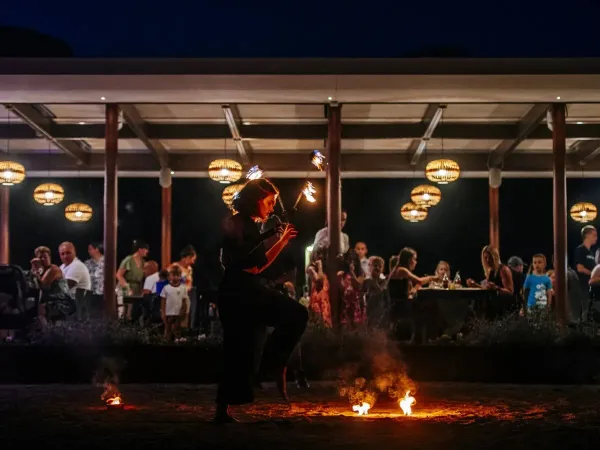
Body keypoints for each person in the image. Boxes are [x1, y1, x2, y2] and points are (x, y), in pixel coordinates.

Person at [215, 178, 308, 423]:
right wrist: (272, 238)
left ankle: (269, 367)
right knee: (238, 349)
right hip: (239, 292)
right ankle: (271, 365)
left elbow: (259, 264)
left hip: (245, 288)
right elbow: (246, 264)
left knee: (241, 349)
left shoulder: (249, 225)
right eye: (269, 202)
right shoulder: (235, 223)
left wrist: (281, 241)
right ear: (256, 200)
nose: (272, 207)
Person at [389, 247, 437, 342]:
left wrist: (415, 288)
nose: (416, 262)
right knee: (429, 308)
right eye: (414, 259)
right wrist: (433, 277)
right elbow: (419, 280)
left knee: (426, 306)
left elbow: (408, 292)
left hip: (400, 304)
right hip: (399, 306)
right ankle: (421, 339)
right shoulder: (402, 270)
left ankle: (418, 338)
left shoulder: (400, 270)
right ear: (408, 260)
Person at [467, 246, 514, 318]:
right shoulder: (490, 270)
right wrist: (475, 285)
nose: (488, 260)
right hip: (492, 307)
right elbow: (488, 289)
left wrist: (497, 288)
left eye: (490, 257)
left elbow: (510, 292)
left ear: (495, 257)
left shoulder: (503, 270)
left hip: (502, 309)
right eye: (485, 258)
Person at [30, 246, 74, 324]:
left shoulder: (53, 269)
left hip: (62, 303)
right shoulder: (43, 271)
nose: (43, 259)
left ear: (49, 257)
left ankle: (45, 333)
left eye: (45, 257)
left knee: (39, 308)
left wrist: (35, 270)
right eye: (40, 257)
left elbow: (43, 286)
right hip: (51, 301)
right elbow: (33, 285)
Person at [58, 242, 92, 321]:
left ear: (74, 252)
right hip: (70, 303)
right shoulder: (62, 266)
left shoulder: (77, 265)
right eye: (62, 254)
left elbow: (65, 288)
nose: (65, 256)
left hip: (77, 307)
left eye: (68, 253)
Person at [116, 239, 149, 319]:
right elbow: (119, 275)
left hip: (137, 287)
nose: (147, 251)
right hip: (125, 286)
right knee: (124, 310)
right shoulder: (129, 259)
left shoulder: (143, 262)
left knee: (132, 312)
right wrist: (127, 288)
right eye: (146, 249)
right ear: (140, 249)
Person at [170, 245, 197, 329]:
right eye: (193, 259)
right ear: (188, 257)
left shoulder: (189, 269)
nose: (193, 262)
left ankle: (184, 335)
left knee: (186, 316)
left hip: (187, 296)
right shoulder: (175, 267)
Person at [160, 265, 189, 342]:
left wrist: (184, 310)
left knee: (176, 330)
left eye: (177, 275)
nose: (175, 277)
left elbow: (184, 301)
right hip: (168, 313)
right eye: (173, 275)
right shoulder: (166, 288)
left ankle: (176, 343)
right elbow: (163, 301)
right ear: (170, 276)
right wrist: (163, 312)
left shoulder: (183, 288)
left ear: (180, 276)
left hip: (178, 313)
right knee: (168, 330)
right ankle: (166, 342)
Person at [306, 245, 332, 327]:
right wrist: (320, 267)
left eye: (322, 254)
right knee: (319, 323)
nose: (320, 256)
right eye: (318, 253)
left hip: (325, 299)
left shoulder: (325, 269)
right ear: (313, 254)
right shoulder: (311, 268)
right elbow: (319, 281)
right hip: (317, 300)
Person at [339, 249, 366, 327]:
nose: (351, 263)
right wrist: (340, 278)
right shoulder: (344, 272)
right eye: (349, 260)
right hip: (345, 303)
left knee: (356, 324)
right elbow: (342, 288)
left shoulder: (360, 272)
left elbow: (358, 285)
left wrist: (352, 272)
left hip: (356, 302)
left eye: (353, 260)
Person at [363, 256, 390, 328]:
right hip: (368, 307)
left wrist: (374, 281)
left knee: (377, 325)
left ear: (382, 269)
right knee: (369, 325)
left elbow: (379, 290)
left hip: (379, 307)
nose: (377, 268)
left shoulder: (383, 281)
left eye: (380, 266)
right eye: (375, 265)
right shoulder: (366, 281)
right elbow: (362, 293)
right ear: (370, 267)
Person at [574, 225, 597, 299]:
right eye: (594, 235)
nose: (596, 238)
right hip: (581, 286)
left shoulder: (591, 252)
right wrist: (594, 275)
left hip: (589, 286)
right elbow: (580, 268)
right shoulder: (580, 249)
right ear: (587, 235)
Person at [84, 242, 104, 319]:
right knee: (91, 316)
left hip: (103, 294)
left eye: (90, 249)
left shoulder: (107, 262)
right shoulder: (87, 263)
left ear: (97, 249)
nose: (88, 251)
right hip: (90, 294)